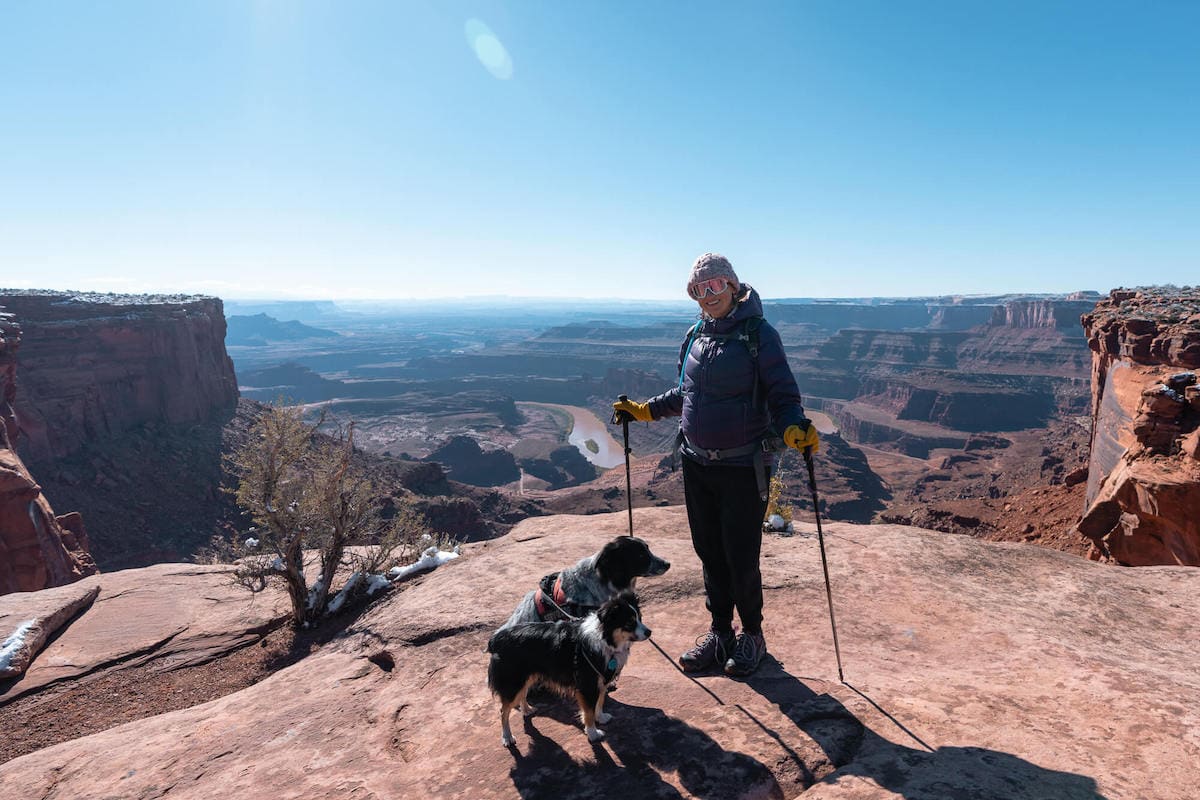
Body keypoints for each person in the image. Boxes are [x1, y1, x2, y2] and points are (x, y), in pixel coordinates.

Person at [612, 253, 818, 677]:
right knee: (709, 553)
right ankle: (721, 632)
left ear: (733, 286)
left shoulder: (759, 335)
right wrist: (644, 411)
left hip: (743, 467)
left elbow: (783, 395)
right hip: (696, 464)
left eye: (715, 286)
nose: (708, 296)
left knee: (741, 556)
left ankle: (753, 636)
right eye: (699, 290)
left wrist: (795, 427)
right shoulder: (695, 336)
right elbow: (686, 394)